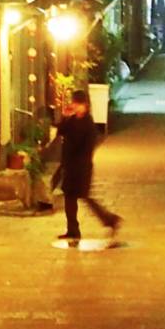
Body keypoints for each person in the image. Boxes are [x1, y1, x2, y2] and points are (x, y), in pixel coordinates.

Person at [53, 92, 121, 246]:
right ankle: (73, 230)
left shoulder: (88, 124)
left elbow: (81, 145)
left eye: (78, 104)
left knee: (85, 197)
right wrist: (65, 117)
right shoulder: (73, 120)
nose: (75, 106)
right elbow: (61, 130)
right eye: (74, 103)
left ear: (85, 105)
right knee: (70, 199)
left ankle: (110, 219)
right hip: (70, 166)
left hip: (81, 167)